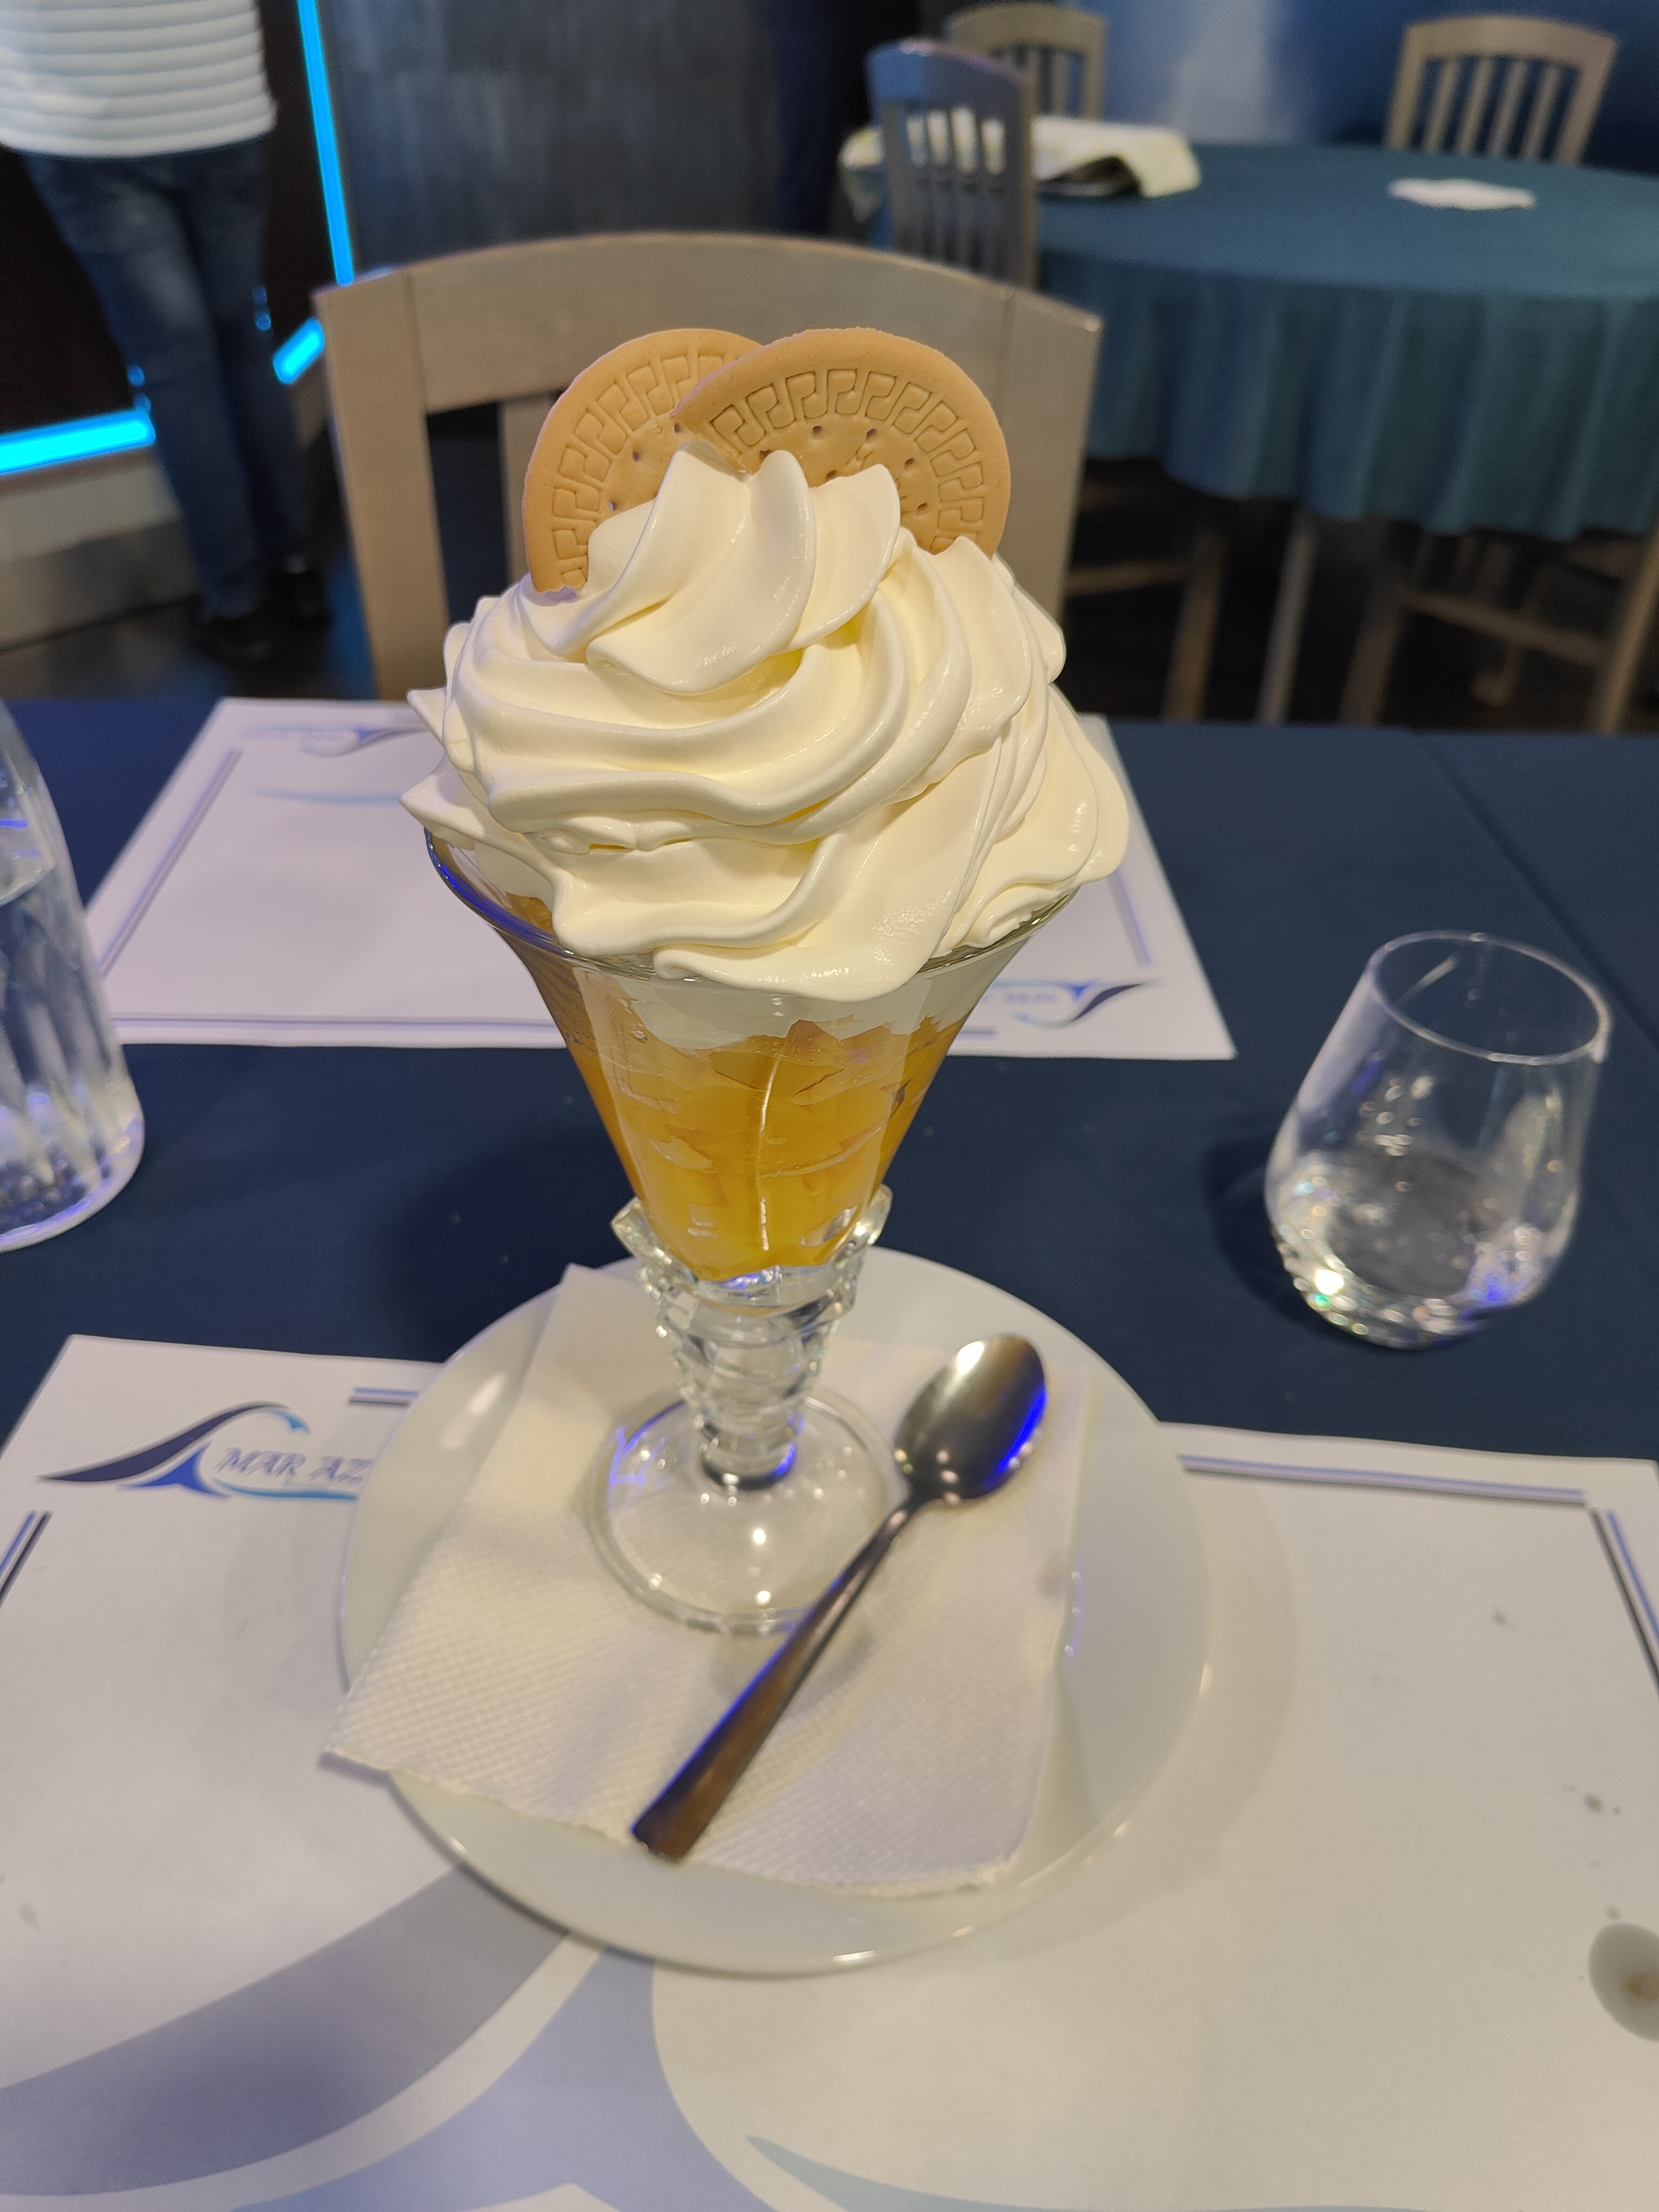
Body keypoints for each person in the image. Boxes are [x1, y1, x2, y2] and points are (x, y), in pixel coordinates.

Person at [0, 0, 328, 664]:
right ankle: (295, 571)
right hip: (218, 87)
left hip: (86, 115)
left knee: (176, 367)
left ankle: (239, 605)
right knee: (244, 336)